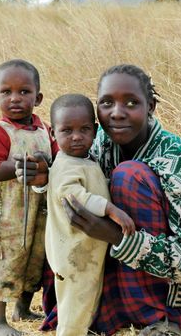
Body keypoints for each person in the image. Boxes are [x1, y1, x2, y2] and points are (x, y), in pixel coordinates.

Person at [38, 64, 181, 335]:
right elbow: (69, 182)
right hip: (139, 260)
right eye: (107, 103)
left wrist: (118, 237)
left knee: (129, 177)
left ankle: (163, 317)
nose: (117, 113)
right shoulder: (97, 143)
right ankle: (118, 304)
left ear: (151, 107)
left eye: (131, 103)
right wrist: (43, 180)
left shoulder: (176, 160)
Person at [0, 59, 57, 336]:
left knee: (35, 257)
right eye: (6, 92)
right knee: (4, 261)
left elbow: (57, 159)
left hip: (39, 211)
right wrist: (20, 166)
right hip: (6, 216)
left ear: (38, 98)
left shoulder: (46, 130)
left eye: (24, 92)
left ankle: (22, 308)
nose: (15, 98)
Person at [45, 93, 135, 336]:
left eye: (84, 129)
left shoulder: (84, 159)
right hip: (74, 253)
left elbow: (94, 186)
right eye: (66, 131)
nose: (76, 137)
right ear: (53, 133)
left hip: (86, 251)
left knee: (88, 299)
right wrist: (111, 209)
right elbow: (75, 196)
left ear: (95, 131)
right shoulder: (64, 165)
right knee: (76, 305)